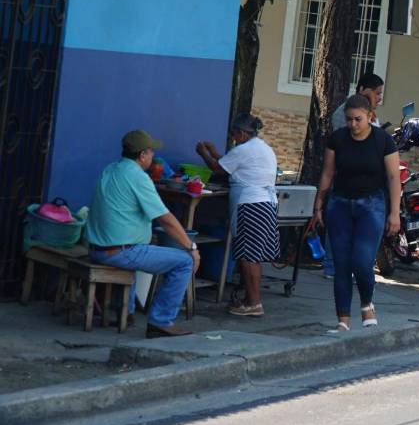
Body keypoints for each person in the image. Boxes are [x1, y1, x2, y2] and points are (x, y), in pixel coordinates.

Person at [87, 130, 199, 339]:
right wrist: (191, 248)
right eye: (151, 153)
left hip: (97, 248)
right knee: (183, 262)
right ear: (142, 156)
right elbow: (165, 219)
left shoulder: (111, 169)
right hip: (119, 252)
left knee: (139, 246)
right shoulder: (138, 177)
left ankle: (126, 312)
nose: (152, 157)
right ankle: (161, 321)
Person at [311, 94, 401, 332]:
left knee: (361, 261)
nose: (353, 125)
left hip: (371, 205)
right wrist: (318, 206)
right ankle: (343, 320)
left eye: (358, 119)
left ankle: (366, 304)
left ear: (370, 116)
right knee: (341, 264)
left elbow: (393, 177)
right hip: (339, 204)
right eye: (349, 120)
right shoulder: (338, 139)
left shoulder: (383, 141)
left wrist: (394, 213)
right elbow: (328, 174)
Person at [195, 113, 279, 317]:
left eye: (234, 134)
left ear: (242, 133)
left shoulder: (244, 149)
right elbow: (228, 162)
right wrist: (216, 152)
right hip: (266, 204)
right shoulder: (262, 147)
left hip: (250, 205)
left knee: (247, 257)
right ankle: (253, 300)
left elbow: (217, 168)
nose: (233, 138)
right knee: (253, 256)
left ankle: (253, 303)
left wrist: (203, 153)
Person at [324, 72, 386, 278]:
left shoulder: (371, 116)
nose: (379, 98)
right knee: (340, 227)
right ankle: (332, 267)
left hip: (368, 184)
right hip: (346, 182)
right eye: (376, 93)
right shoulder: (345, 114)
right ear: (362, 90)